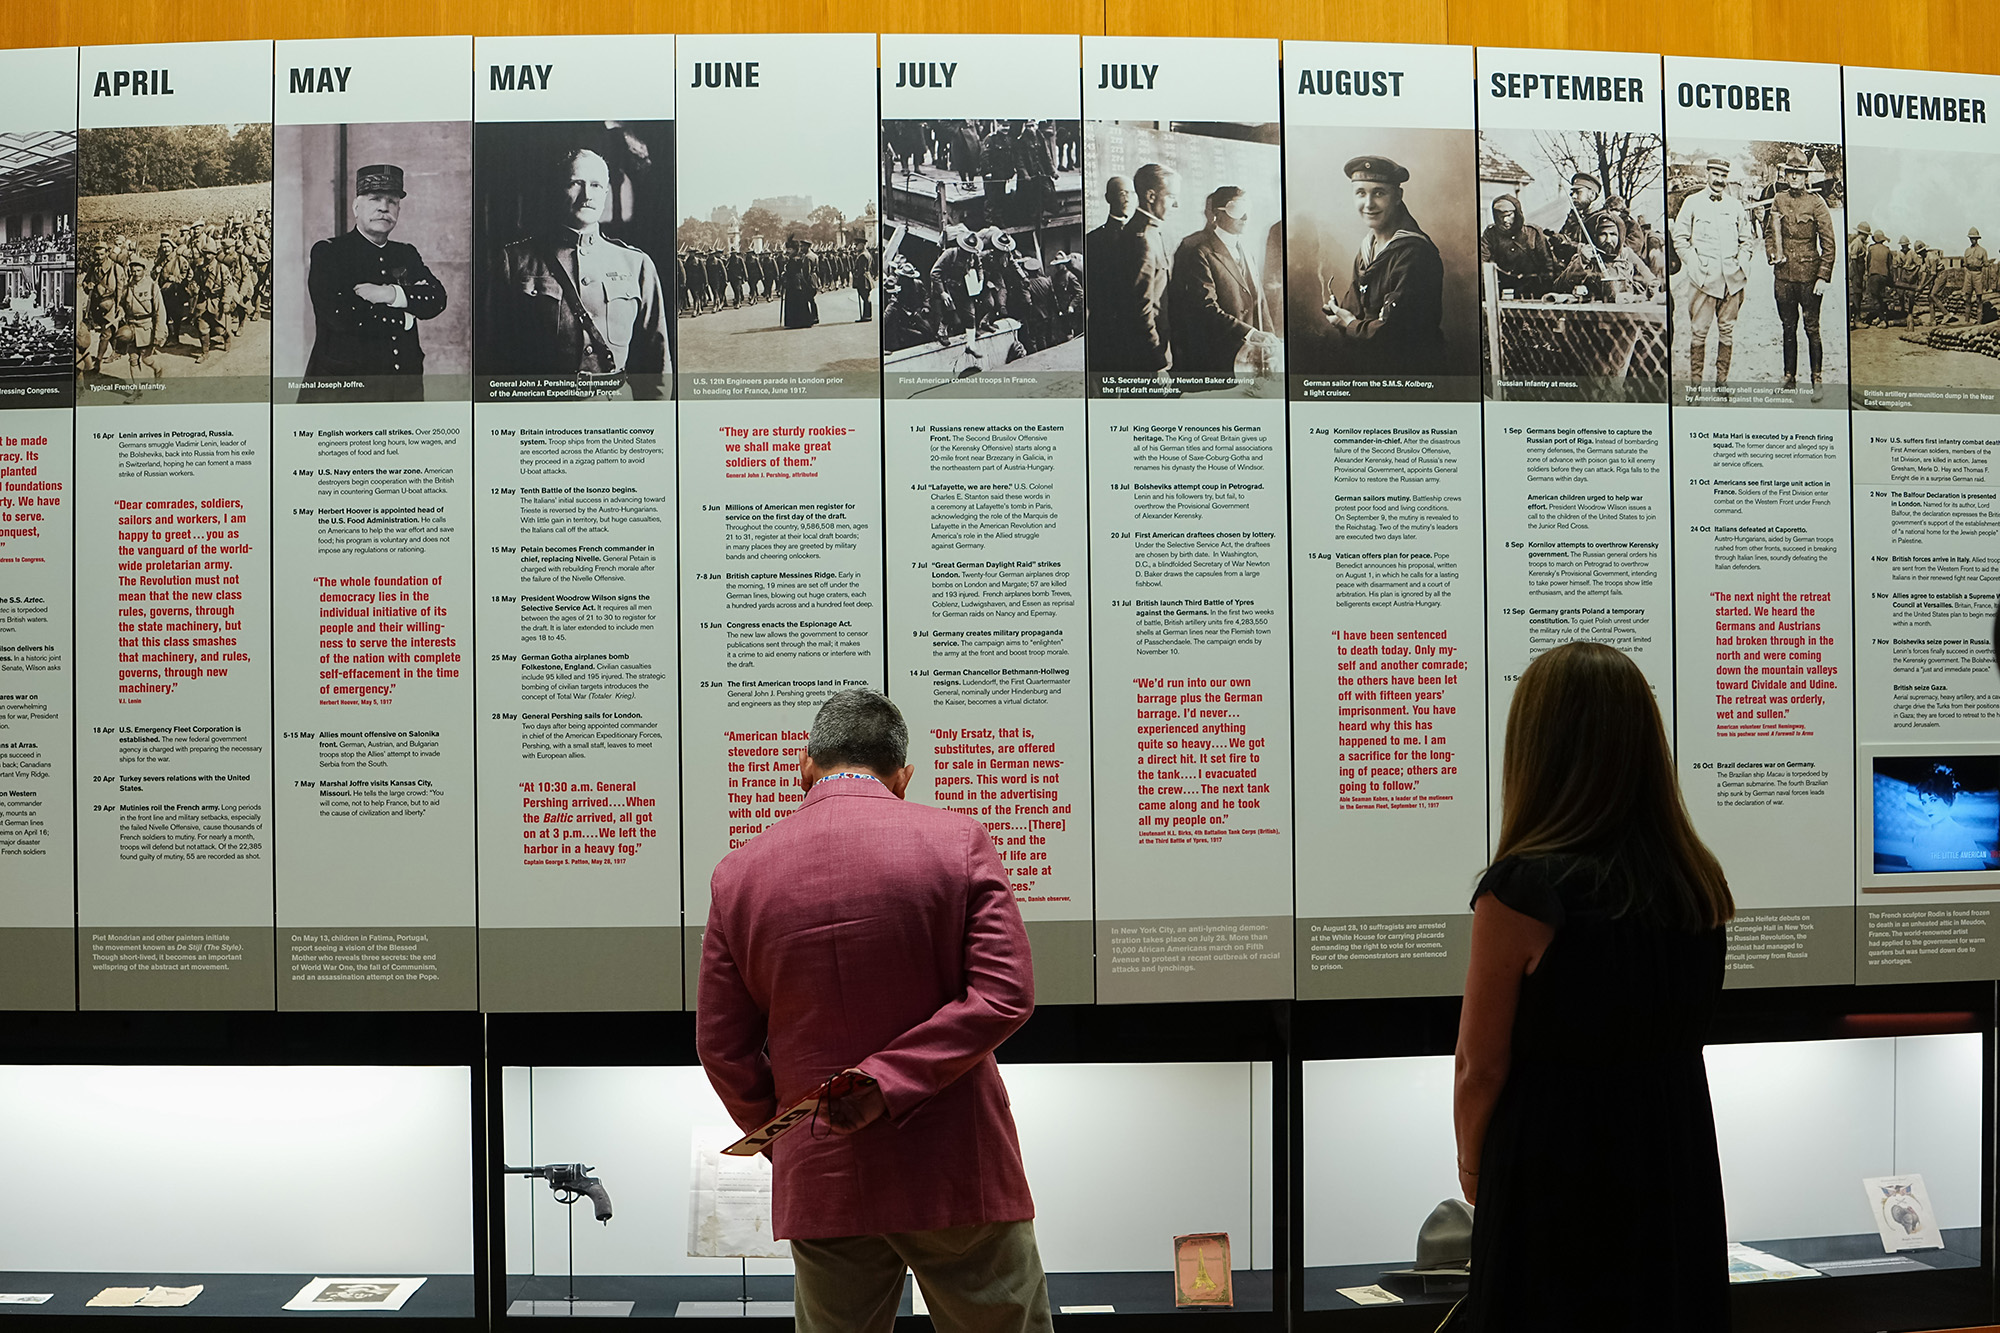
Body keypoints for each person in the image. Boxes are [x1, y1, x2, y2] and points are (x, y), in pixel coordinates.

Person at [698, 689, 1051, 1333]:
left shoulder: (737, 875)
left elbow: (722, 1047)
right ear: (903, 775)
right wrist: (886, 1084)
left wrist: (789, 1138)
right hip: (954, 1165)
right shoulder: (959, 842)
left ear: (804, 768)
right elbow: (1005, 993)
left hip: (824, 1169)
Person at [1454, 641, 1732, 1332]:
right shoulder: (1696, 884)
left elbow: (1479, 1066)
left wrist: (1473, 1166)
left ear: (1537, 751)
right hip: (1673, 1168)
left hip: (1554, 1181)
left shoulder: (1523, 891)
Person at [486, 149, 671, 400]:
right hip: (543, 416)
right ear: (557, 188)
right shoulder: (515, 260)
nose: (587, 196)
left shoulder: (636, 264)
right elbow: (493, 356)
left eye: (596, 185)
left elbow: (656, 360)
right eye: (576, 183)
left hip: (617, 414)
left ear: (606, 192)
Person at [300, 165, 447, 403]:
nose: (384, 207)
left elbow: (437, 298)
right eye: (375, 199)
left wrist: (390, 294)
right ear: (356, 207)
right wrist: (405, 318)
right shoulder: (330, 252)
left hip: (404, 388)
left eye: (392, 201)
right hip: (345, 390)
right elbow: (340, 316)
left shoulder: (406, 254)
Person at [1319, 155, 1447, 375]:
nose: (1368, 204)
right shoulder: (1368, 247)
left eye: (1379, 192)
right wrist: (1340, 314)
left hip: (1411, 373)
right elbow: (1355, 309)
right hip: (1373, 367)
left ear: (1398, 196)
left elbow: (1394, 333)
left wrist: (1349, 324)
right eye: (1360, 193)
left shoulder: (1414, 253)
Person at [1166, 185, 1277, 381]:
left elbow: (1259, 302)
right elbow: (1204, 307)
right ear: (1217, 214)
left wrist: (1270, 339)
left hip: (1247, 360)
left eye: (1248, 210)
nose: (1245, 217)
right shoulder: (1197, 249)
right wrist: (1250, 334)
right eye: (1238, 210)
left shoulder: (1245, 250)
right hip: (1213, 358)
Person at [1671, 157, 1755, 388]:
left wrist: (1742, 264)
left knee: (1727, 332)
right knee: (1698, 333)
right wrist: (1694, 264)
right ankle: (1696, 386)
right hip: (1703, 282)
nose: (1719, 180)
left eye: (1723, 175)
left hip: (1732, 282)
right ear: (1707, 174)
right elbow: (1679, 238)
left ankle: (1722, 384)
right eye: (1715, 174)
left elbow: (1747, 241)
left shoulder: (1735, 206)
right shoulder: (1692, 203)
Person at [1764, 151, 1836, 400]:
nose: (1794, 177)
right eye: (1790, 172)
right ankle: (1789, 377)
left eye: (1799, 173)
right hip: (1783, 277)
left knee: (1812, 328)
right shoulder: (1778, 200)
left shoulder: (1817, 203)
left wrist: (1823, 277)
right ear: (1785, 174)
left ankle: (1817, 380)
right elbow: (1769, 233)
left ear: (1806, 176)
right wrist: (1772, 254)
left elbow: (1829, 244)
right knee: (1788, 328)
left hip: (1808, 279)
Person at [1098, 163, 1177, 378]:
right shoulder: (1141, 239)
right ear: (1151, 196)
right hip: (1145, 357)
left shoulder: (1153, 232)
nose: (1176, 204)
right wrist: (1157, 363)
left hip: (1157, 348)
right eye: (1171, 197)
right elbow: (1140, 307)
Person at [1480, 194, 1556, 297]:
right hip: (1502, 284)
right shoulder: (1490, 234)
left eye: (1509, 215)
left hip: (1531, 286)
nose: (1505, 220)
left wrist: (1546, 289)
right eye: (1500, 216)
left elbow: (1547, 264)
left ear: (1517, 214)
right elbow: (1482, 260)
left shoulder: (1533, 233)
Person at [782, 237, 821, 330]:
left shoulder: (797, 259)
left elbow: (797, 272)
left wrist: (785, 274)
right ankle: (808, 319)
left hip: (795, 282)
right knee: (804, 301)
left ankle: (799, 321)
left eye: (790, 249)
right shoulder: (799, 257)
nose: (788, 251)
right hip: (797, 281)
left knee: (797, 302)